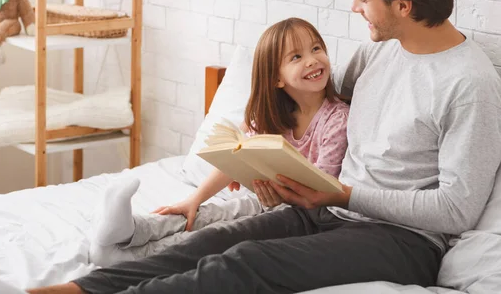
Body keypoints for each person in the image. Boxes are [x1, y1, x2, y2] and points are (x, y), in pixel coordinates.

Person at [0, 0, 501, 294]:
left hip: (401, 241)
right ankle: (77, 289)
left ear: (404, 4)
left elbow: (457, 211)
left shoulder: (471, 85)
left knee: (246, 266)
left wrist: (341, 193)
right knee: (212, 242)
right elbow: (314, 115)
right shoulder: (376, 53)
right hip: (327, 210)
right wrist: (271, 168)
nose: (355, 7)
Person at [87, 17, 350, 267]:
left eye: (317, 48)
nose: (312, 60)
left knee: (222, 230)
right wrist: (194, 199)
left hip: (298, 215)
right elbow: (238, 157)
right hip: (263, 201)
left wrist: (278, 195)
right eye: (297, 57)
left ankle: (135, 256)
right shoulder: (273, 117)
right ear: (276, 79)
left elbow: (322, 186)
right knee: (210, 213)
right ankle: (131, 231)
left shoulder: (336, 118)